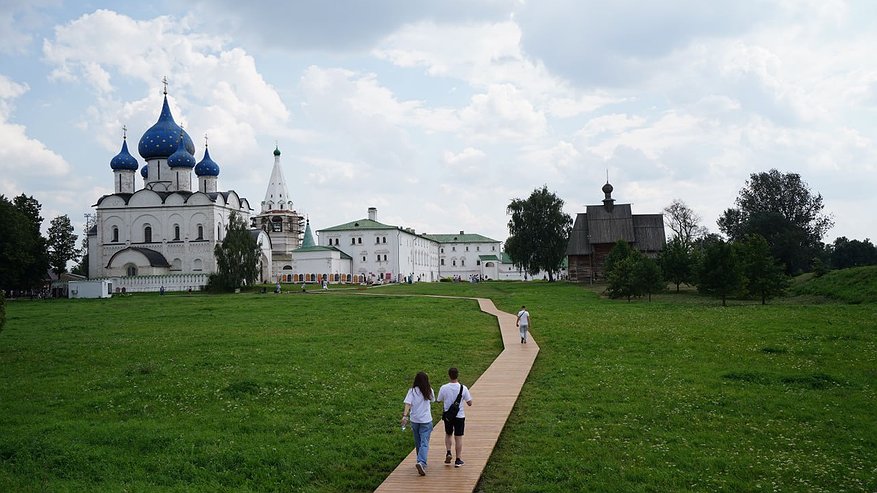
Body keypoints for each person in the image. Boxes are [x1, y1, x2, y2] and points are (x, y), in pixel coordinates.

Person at [437, 367, 473, 467]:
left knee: (448, 434)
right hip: (460, 416)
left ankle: (448, 452)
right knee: (458, 437)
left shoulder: (444, 388)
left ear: (449, 375)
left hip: (448, 416)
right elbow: (470, 403)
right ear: (458, 375)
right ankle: (458, 459)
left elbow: (439, 400)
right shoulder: (463, 388)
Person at [402, 372, 435, 476]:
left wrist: (405, 415)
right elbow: (433, 400)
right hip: (426, 420)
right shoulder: (429, 391)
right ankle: (421, 462)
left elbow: (408, 403)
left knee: (418, 442)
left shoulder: (412, 391)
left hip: (415, 420)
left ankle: (420, 461)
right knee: (424, 443)